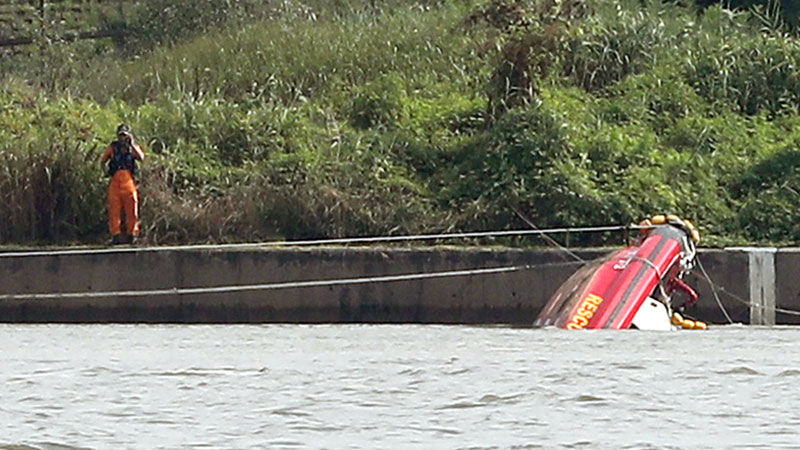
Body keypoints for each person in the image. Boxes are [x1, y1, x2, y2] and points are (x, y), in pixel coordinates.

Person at [101, 124, 145, 245]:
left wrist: (131, 143)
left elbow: (141, 157)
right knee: (114, 209)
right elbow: (103, 160)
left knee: (132, 207)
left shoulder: (133, 147)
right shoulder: (113, 147)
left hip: (128, 180)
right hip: (115, 180)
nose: (122, 138)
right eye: (121, 135)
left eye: (125, 135)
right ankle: (116, 235)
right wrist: (106, 173)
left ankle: (132, 234)